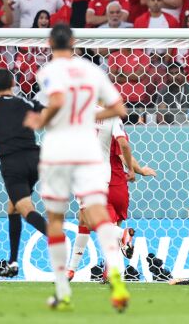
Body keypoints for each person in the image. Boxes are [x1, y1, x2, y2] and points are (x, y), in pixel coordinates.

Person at [22, 25, 129, 310]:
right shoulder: (93, 72)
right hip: (88, 150)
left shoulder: (47, 72)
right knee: (98, 213)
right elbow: (120, 110)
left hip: (59, 148)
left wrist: (42, 120)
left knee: (56, 219)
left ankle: (63, 291)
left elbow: (56, 101)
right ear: (73, 42)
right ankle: (116, 276)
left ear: (49, 43)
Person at [67, 109, 157, 280]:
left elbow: (122, 154)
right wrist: (139, 170)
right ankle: (109, 271)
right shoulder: (114, 124)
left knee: (89, 222)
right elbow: (124, 152)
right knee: (105, 224)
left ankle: (73, 267)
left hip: (103, 184)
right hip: (119, 186)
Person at [0, 69, 48, 277]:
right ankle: (14, 262)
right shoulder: (26, 102)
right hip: (36, 159)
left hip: (12, 163)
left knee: (25, 208)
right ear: (14, 83)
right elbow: (45, 116)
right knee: (13, 208)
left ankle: (52, 234)